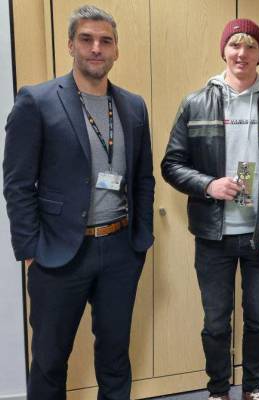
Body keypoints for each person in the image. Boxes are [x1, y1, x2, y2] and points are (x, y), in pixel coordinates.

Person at [3, 5, 154, 400]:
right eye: (86, 39)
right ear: (71, 44)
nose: (96, 48)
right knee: (50, 361)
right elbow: (17, 183)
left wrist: (141, 240)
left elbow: (143, 178)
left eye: (105, 41)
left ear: (116, 50)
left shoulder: (134, 106)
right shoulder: (36, 101)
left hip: (120, 250)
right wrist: (30, 250)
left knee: (115, 359)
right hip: (58, 253)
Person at [161, 18, 259, 400]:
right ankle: (218, 391)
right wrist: (208, 184)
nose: (242, 53)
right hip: (213, 235)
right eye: (235, 45)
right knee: (216, 323)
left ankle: (253, 389)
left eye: (251, 45)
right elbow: (171, 164)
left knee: (258, 320)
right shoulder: (195, 103)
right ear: (224, 50)